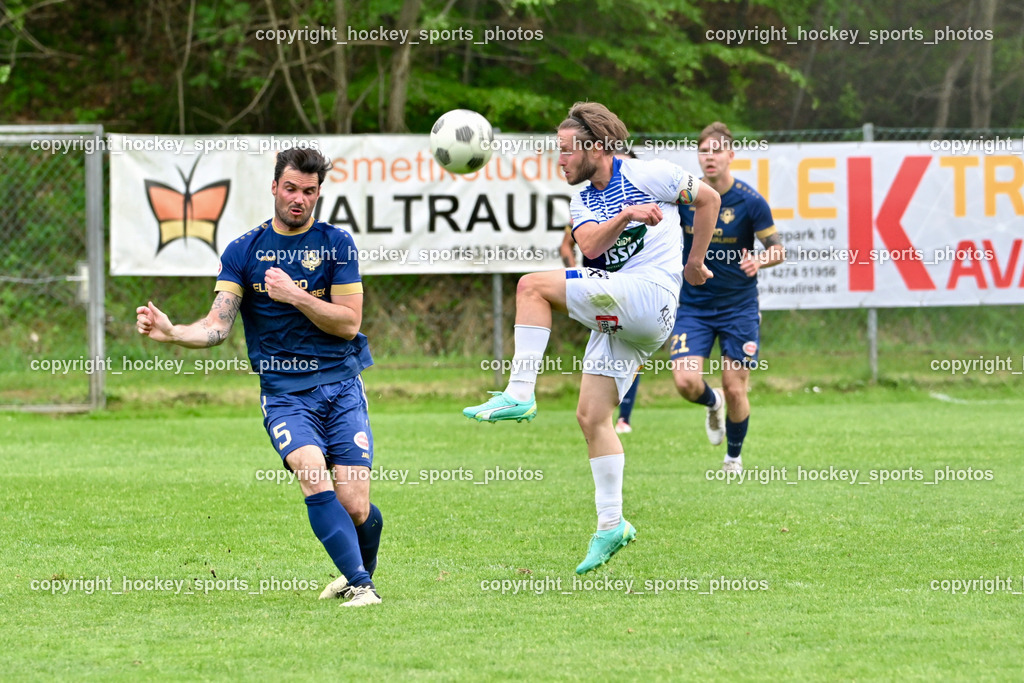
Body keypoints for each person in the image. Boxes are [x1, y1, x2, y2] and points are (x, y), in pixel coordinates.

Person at [463, 102, 720, 574]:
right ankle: (611, 525)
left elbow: (708, 200)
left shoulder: (652, 174)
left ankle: (519, 392)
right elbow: (591, 246)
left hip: (651, 296)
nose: (558, 160)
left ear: (596, 147)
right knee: (592, 417)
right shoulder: (582, 200)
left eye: (564, 150)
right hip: (625, 312)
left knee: (530, 286)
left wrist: (694, 262)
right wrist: (626, 215)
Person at [136, 147, 383, 607]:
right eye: (290, 188)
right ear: (274, 187)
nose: (299, 199)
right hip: (286, 393)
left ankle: (355, 574)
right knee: (312, 474)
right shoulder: (242, 252)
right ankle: (362, 585)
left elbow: (349, 322)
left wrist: (295, 296)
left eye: (309, 191)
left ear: (318, 194)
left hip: (342, 384)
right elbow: (217, 325)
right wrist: (172, 333)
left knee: (356, 506)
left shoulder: (337, 243)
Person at [671, 122, 786, 474]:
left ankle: (733, 458)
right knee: (686, 383)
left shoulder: (750, 202)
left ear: (730, 156)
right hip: (694, 305)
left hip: (739, 307)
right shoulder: (685, 197)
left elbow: (778, 250)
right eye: (703, 151)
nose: (710, 157)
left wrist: (759, 259)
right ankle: (712, 402)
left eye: (716, 151)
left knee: (736, 387)